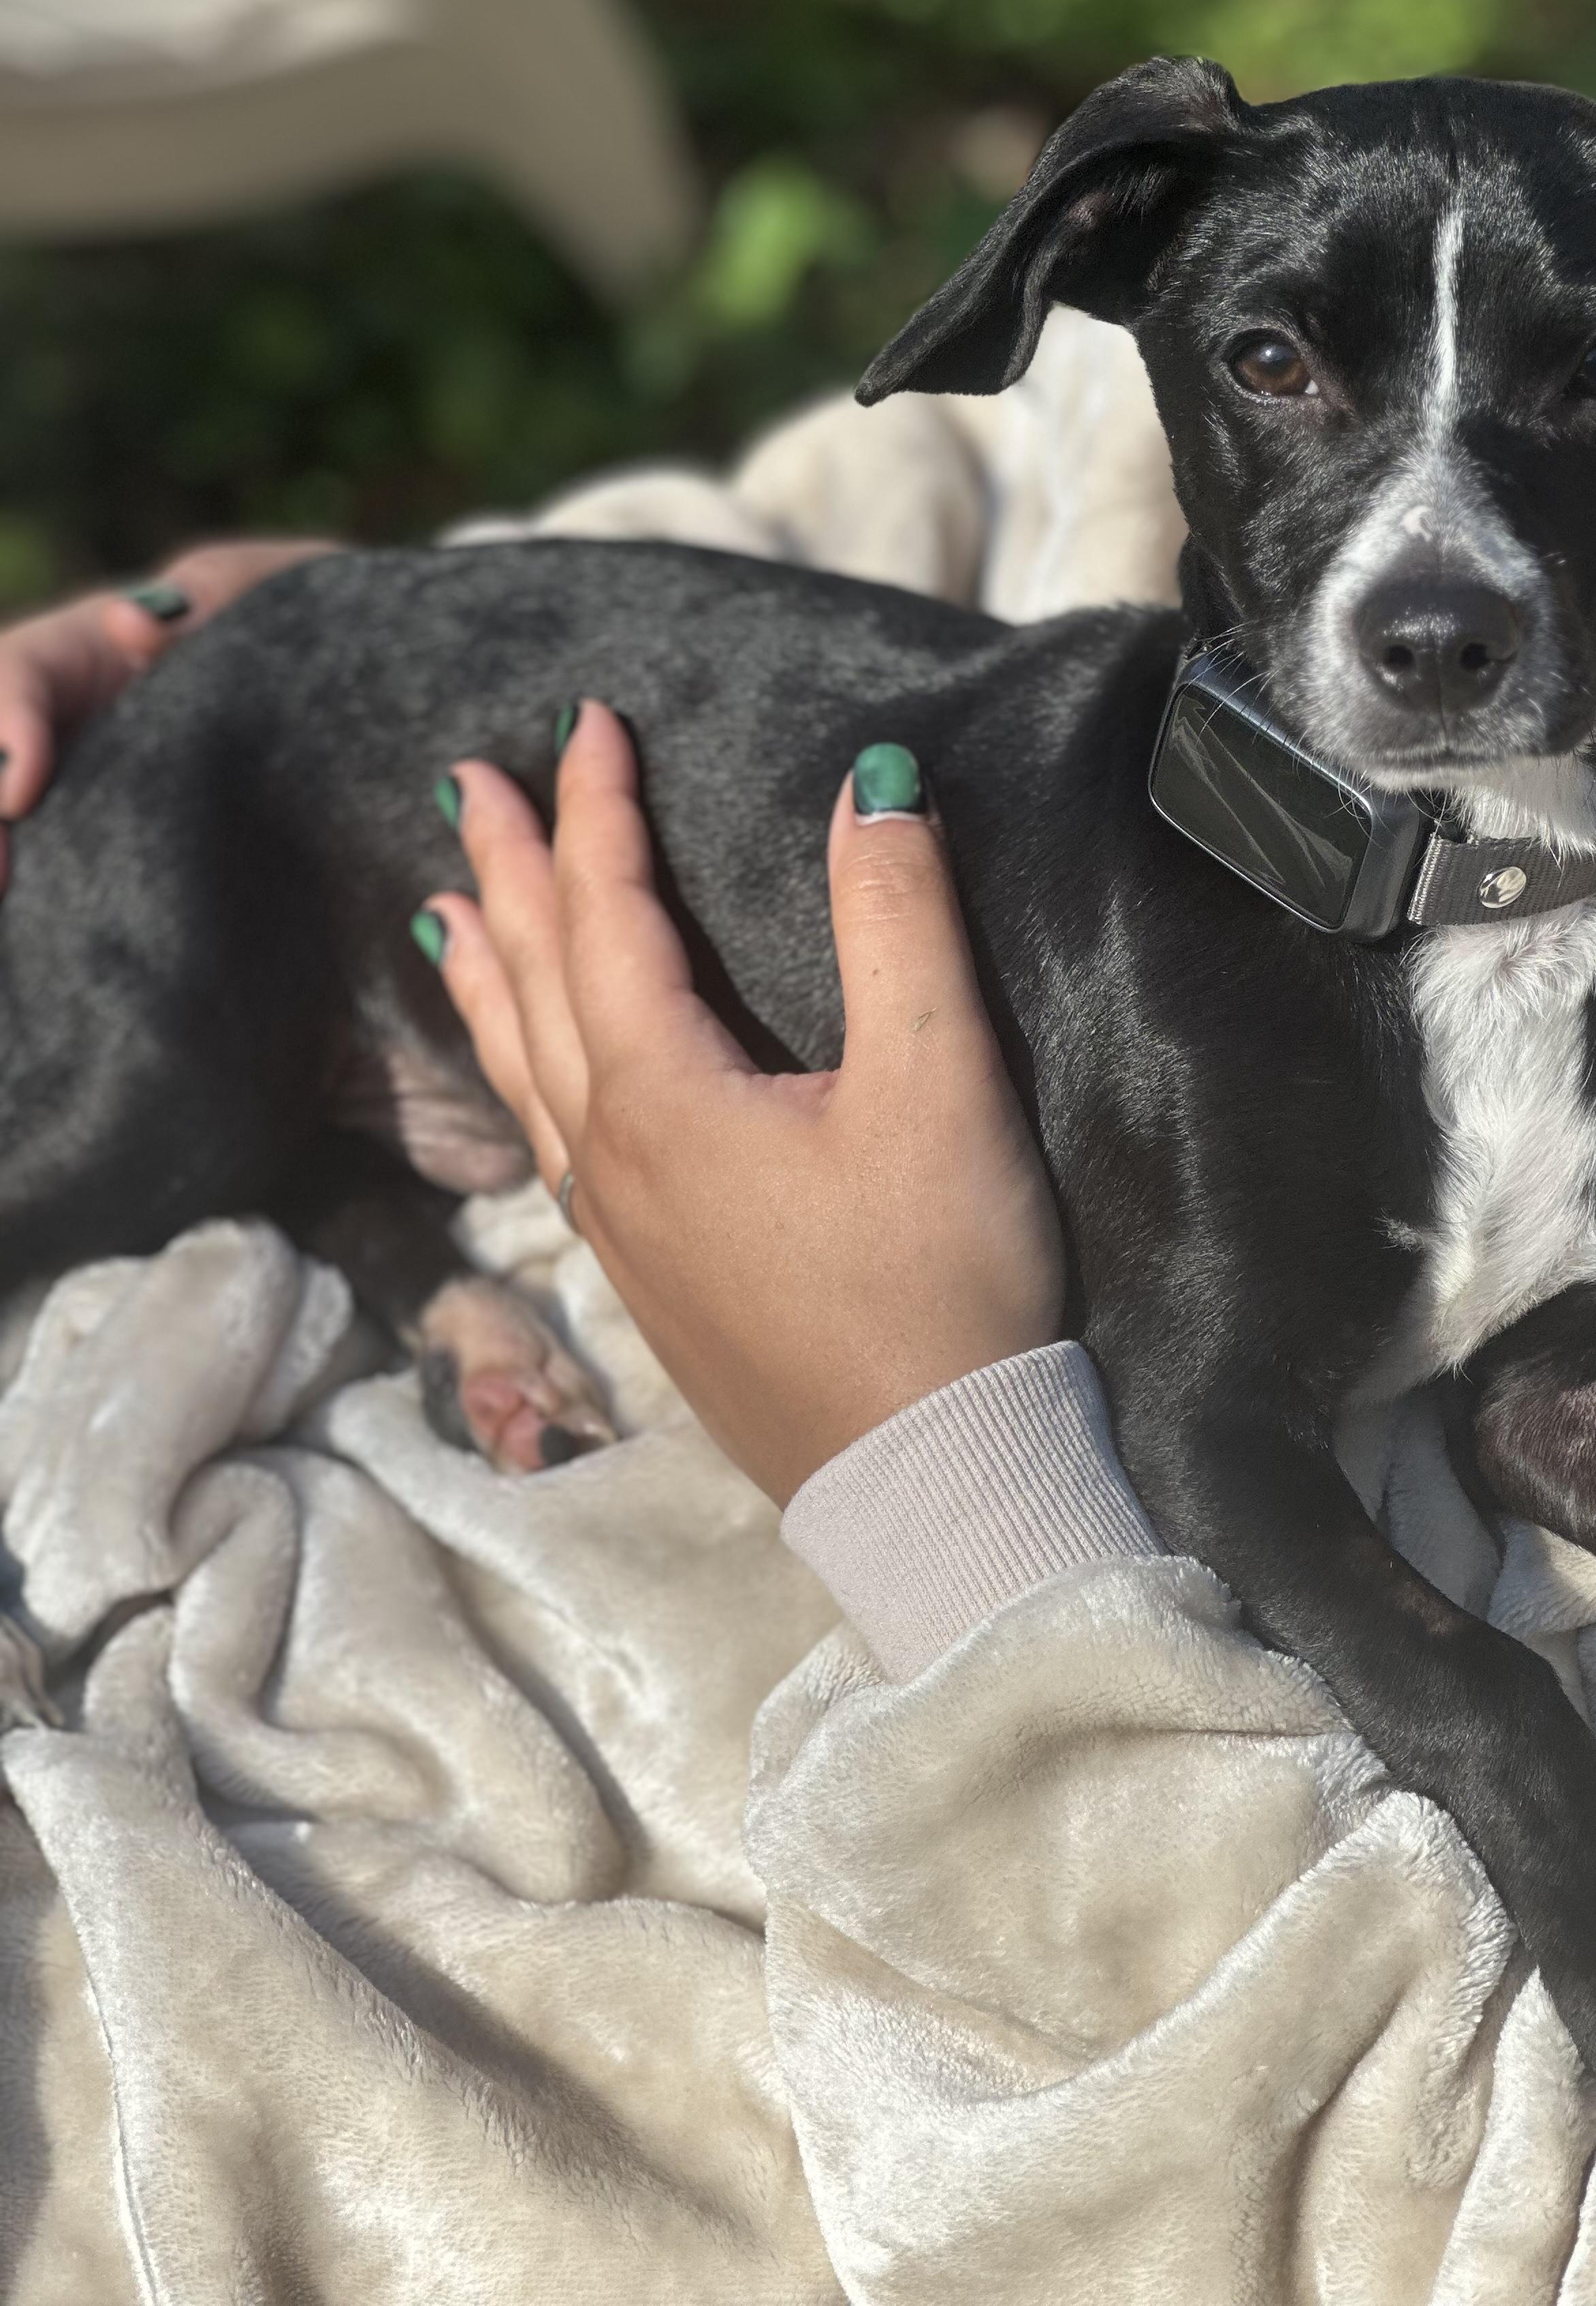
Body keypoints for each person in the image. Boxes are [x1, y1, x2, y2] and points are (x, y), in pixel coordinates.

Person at [0, 543, 1164, 1667]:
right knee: (135, 1120)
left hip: (349, 798)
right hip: (275, 767)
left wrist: (949, 1474)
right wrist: (286, 597)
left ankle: (407, 1269)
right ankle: (401, 1257)